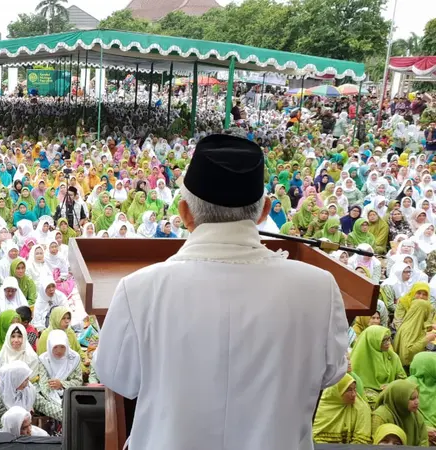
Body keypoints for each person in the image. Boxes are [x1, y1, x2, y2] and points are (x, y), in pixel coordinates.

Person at [94, 134, 349, 449]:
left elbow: (118, 379)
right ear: (265, 210)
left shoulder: (139, 291)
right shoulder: (319, 290)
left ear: (185, 213)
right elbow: (332, 373)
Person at [35, 329, 83, 423]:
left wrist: (61, 384)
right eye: (55, 347)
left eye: (62, 347)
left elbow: (78, 381)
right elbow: (44, 386)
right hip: (49, 398)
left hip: (70, 394)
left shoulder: (74, 358)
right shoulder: (43, 360)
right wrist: (59, 404)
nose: (59, 351)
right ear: (49, 346)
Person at [312, 373, 371, 444]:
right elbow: (314, 438)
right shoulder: (319, 406)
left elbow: (361, 442)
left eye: (355, 389)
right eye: (348, 390)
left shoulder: (361, 408)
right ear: (336, 392)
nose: (354, 394)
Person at [371, 379, 428, 446]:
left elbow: (424, 441)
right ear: (400, 398)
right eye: (412, 399)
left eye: (417, 397)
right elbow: (377, 443)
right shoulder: (381, 416)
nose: (417, 402)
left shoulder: (415, 415)